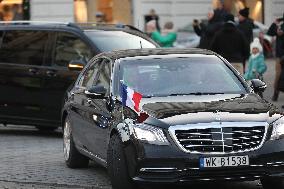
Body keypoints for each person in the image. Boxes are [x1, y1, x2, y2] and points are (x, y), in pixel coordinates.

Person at [267, 13, 284, 101]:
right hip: (280, 56)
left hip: (280, 54)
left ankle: (275, 94)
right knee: (278, 75)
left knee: (279, 75)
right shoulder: (280, 25)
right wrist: (274, 23)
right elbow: (269, 33)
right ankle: (275, 94)